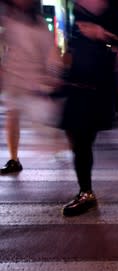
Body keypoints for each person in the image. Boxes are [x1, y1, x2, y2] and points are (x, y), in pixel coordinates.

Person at [60, 0, 118, 216]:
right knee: (76, 137)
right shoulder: (78, 5)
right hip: (75, 79)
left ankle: (86, 191)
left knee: (83, 138)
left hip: (97, 82)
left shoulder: (115, 6)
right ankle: (85, 191)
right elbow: (73, 37)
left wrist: (100, 33)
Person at [0, 0, 63, 174]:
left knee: (43, 118)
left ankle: (60, 141)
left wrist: (52, 74)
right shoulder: (9, 18)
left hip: (33, 77)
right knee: (13, 116)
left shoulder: (39, 24)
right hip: (14, 77)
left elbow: (50, 51)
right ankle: (14, 159)